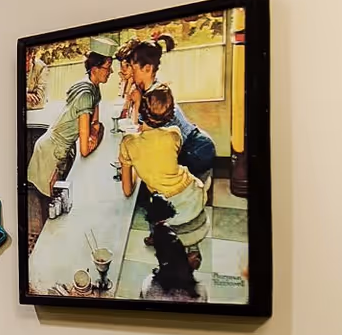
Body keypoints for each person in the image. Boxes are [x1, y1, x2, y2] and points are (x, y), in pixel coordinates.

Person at [23, 36, 117, 252]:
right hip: (50, 154)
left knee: (57, 209)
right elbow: (87, 144)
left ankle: (51, 248)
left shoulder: (91, 86)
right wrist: (96, 133)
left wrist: (96, 131)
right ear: (95, 68)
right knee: (52, 214)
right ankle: (43, 252)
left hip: (58, 151)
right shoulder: (85, 93)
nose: (110, 72)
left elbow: (95, 123)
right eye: (107, 67)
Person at [118, 35, 216, 181]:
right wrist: (128, 86)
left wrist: (136, 102)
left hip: (196, 150)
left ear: (147, 68)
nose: (130, 72)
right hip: (190, 147)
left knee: (150, 176)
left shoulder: (155, 96)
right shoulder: (147, 89)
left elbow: (139, 132)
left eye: (133, 68)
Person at [117, 84, 208, 231]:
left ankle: (160, 234)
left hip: (166, 208)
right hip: (193, 198)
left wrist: (136, 166)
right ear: (168, 115)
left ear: (142, 110)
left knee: (152, 206)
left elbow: (127, 190)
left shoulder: (128, 143)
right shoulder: (174, 134)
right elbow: (168, 158)